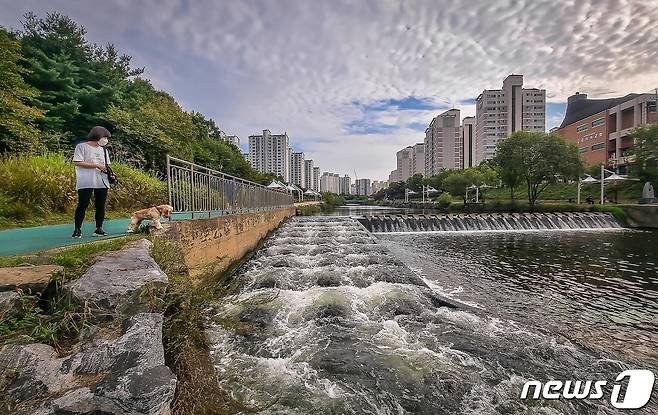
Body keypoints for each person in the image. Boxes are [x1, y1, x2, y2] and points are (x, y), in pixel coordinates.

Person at [71, 126, 112, 238]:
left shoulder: (104, 150)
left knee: (100, 205)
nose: (105, 140)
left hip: (101, 181)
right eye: (104, 137)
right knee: (82, 204)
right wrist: (96, 165)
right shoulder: (81, 147)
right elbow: (78, 162)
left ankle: (99, 228)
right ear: (98, 136)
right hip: (85, 180)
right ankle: (77, 229)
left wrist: (110, 173)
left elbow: (106, 165)